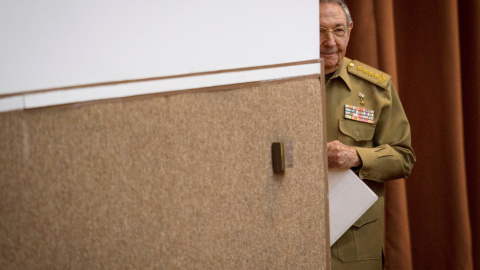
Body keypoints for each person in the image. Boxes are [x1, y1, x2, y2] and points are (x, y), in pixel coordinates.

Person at [319, 0, 416, 269]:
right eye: (319, 31)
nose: (330, 42)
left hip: (353, 246)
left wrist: (356, 156)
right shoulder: (282, 87)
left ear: (350, 30)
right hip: (293, 239)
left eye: (338, 30)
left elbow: (404, 157)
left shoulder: (375, 88)